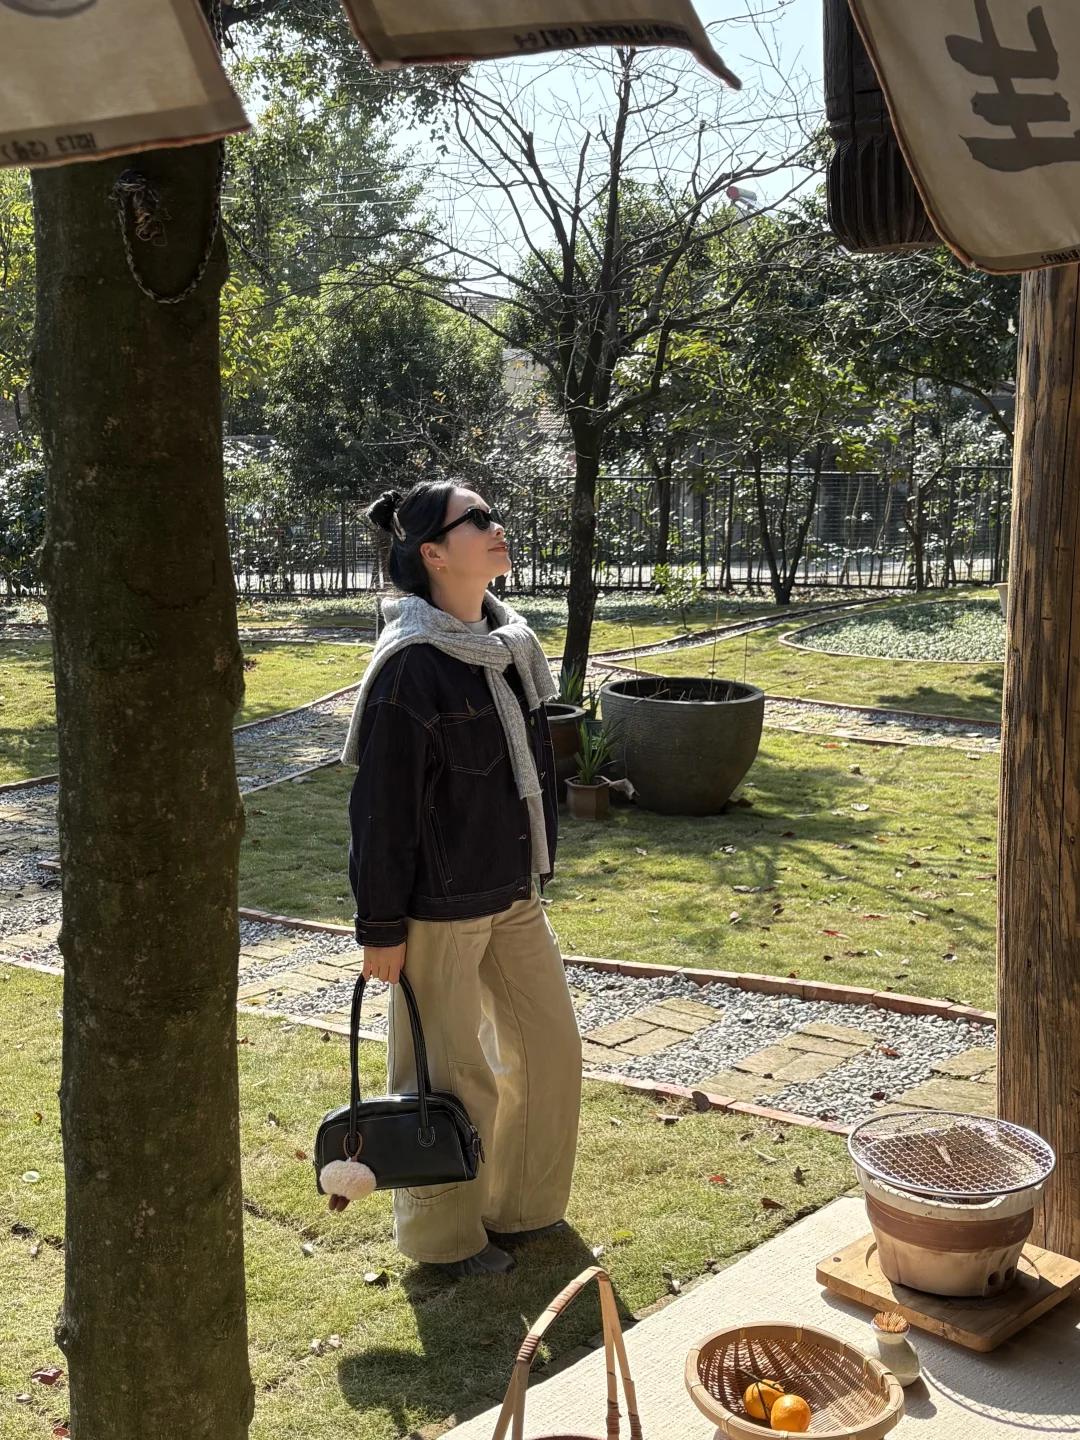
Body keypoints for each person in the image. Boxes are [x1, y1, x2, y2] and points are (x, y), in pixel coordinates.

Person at [333, 478, 582, 1277]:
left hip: (512, 893)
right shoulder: (410, 669)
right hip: (437, 909)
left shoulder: (509, 647)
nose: (496, 525)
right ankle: (444, 1244)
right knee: (447, 1078)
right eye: (476, 520)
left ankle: (523, 1208)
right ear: (433, 554)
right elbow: (382, 812)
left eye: (491, 512)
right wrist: (380, 929)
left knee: (548, 1054)